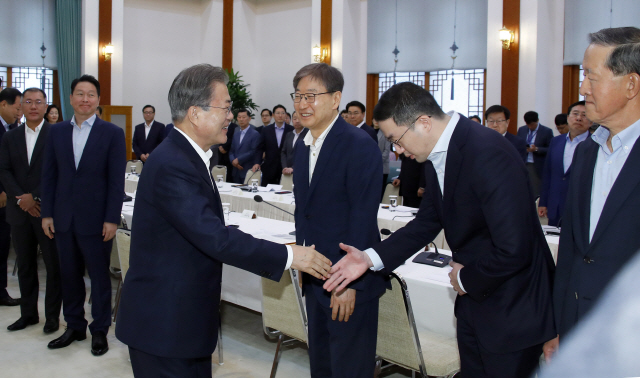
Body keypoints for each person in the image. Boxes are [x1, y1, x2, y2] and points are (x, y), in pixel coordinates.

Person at [324, 82, 556, 378]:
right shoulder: (438, 153)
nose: (397, 150)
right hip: (476, 301)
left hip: (513, 306)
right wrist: (370, 258)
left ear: (423, 122)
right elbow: (427, 222)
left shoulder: (486, 151)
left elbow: (515, 248)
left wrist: (464, 277)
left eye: (396, 139)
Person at [114, 63, 331, 378]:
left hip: (182, 324)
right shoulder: (173, 163)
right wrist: (289, 254)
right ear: (196, 113)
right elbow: (214, 238)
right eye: (226, 108)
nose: (232, 115)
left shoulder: (188, 156)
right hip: (164, 326)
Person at [544, 26, 640, 362]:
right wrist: (559, 327)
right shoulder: (588, 152)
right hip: (578, 330)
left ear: (631, 85)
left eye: (591, 77)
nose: (582, 88)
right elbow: (572, 247)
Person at [292, 63, 385, 378]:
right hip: (316, 275)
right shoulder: (303, 146)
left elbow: (362, 217)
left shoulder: (359, 145)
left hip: (346, 280)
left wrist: (349, 284)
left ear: (335, 99)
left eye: (311, 96)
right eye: (298, 96)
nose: (303, 104)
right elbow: (304, 211)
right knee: (322, 365)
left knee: (349, 367)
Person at [41, 74, 126, 356]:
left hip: (97, 220)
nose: (85, 99)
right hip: (63, 218)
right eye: (80, 93)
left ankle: (99, 329)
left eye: (90, 94)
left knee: (100, 277)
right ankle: (74, 325)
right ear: (70, 98)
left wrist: (112, 218)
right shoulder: (55, 132)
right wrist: (48, 213)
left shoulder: (112, 133)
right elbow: (49, 176)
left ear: (98, 100)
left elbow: (116, 181)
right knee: (68, 275)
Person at [0, 88, 61, 333]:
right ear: (21, 107)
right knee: (25, 265)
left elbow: (59, 172)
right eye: (28, 102)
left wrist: (34, 197)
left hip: (47, 211)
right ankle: (28, 314)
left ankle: (52, 318)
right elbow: (3, 171)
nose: (33, 106)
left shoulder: (56, 135)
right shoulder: (10, 137)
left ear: (46, 107)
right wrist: (22, 199)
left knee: (53, 266)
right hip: (19, 211)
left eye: (38, 102)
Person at [538, 101, 591, 226]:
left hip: (580, 207)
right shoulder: (556, 141)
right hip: (555, 204)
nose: (579, 118)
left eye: (584, 115)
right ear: (568, 118)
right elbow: (548, 173)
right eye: (575, 114)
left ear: (592, 121)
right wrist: (543, 202)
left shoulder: (595, 145)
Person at [0, 87, 22, 307]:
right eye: (17, 107)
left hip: (9, 199)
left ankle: (1, 289)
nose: (19, 112)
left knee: (2, 246)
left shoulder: (14, 128)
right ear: (3, 104)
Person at [517, 111, 554, 198]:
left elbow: (551, 149)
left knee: (535, 189)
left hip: (537, 164)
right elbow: (517, 144)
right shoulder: (522, 130)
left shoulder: (546, 131)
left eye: (532, 124)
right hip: (523, 162)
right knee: (523, 187)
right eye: (528, 124)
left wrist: (536, 149)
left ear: (537, 120)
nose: (530, 127)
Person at [260, 105, 293, 185]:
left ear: (286, 115)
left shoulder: (291, 130)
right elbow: (260, 148)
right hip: (269, 167)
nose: (280, 115)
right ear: (273, 115)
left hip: (285, 168)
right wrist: (257, 162)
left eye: (282, 113)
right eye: (277, 113)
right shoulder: (266, 130)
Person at [229, 109, 262, 184]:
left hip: (247, 169)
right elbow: (231, 150)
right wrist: (233, 161)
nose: (241, 119)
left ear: (249, 118)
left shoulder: (255, 134)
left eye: (243, 117)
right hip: (235, 170)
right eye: (239, 117)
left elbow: (253, 151)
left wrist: (239, 160)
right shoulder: (236, 133)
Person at [281, 111, 308, 175]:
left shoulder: (309, 134)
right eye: (295, 119)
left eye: (299, 118)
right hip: (287, 172)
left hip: (301, 171)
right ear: (292, 120)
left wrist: (294, 168)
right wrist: (285, 167)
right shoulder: (289, 134)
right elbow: (283, 152)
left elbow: (306, 155)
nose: (297, 121)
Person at [374, 119, 391, 196]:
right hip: (370, 167)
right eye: (375, 119)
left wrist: (375, 161)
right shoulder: (369, 132)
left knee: (380, 192)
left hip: (382, 167)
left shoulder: (385, 132)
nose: (376, 121)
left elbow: (386, 151)